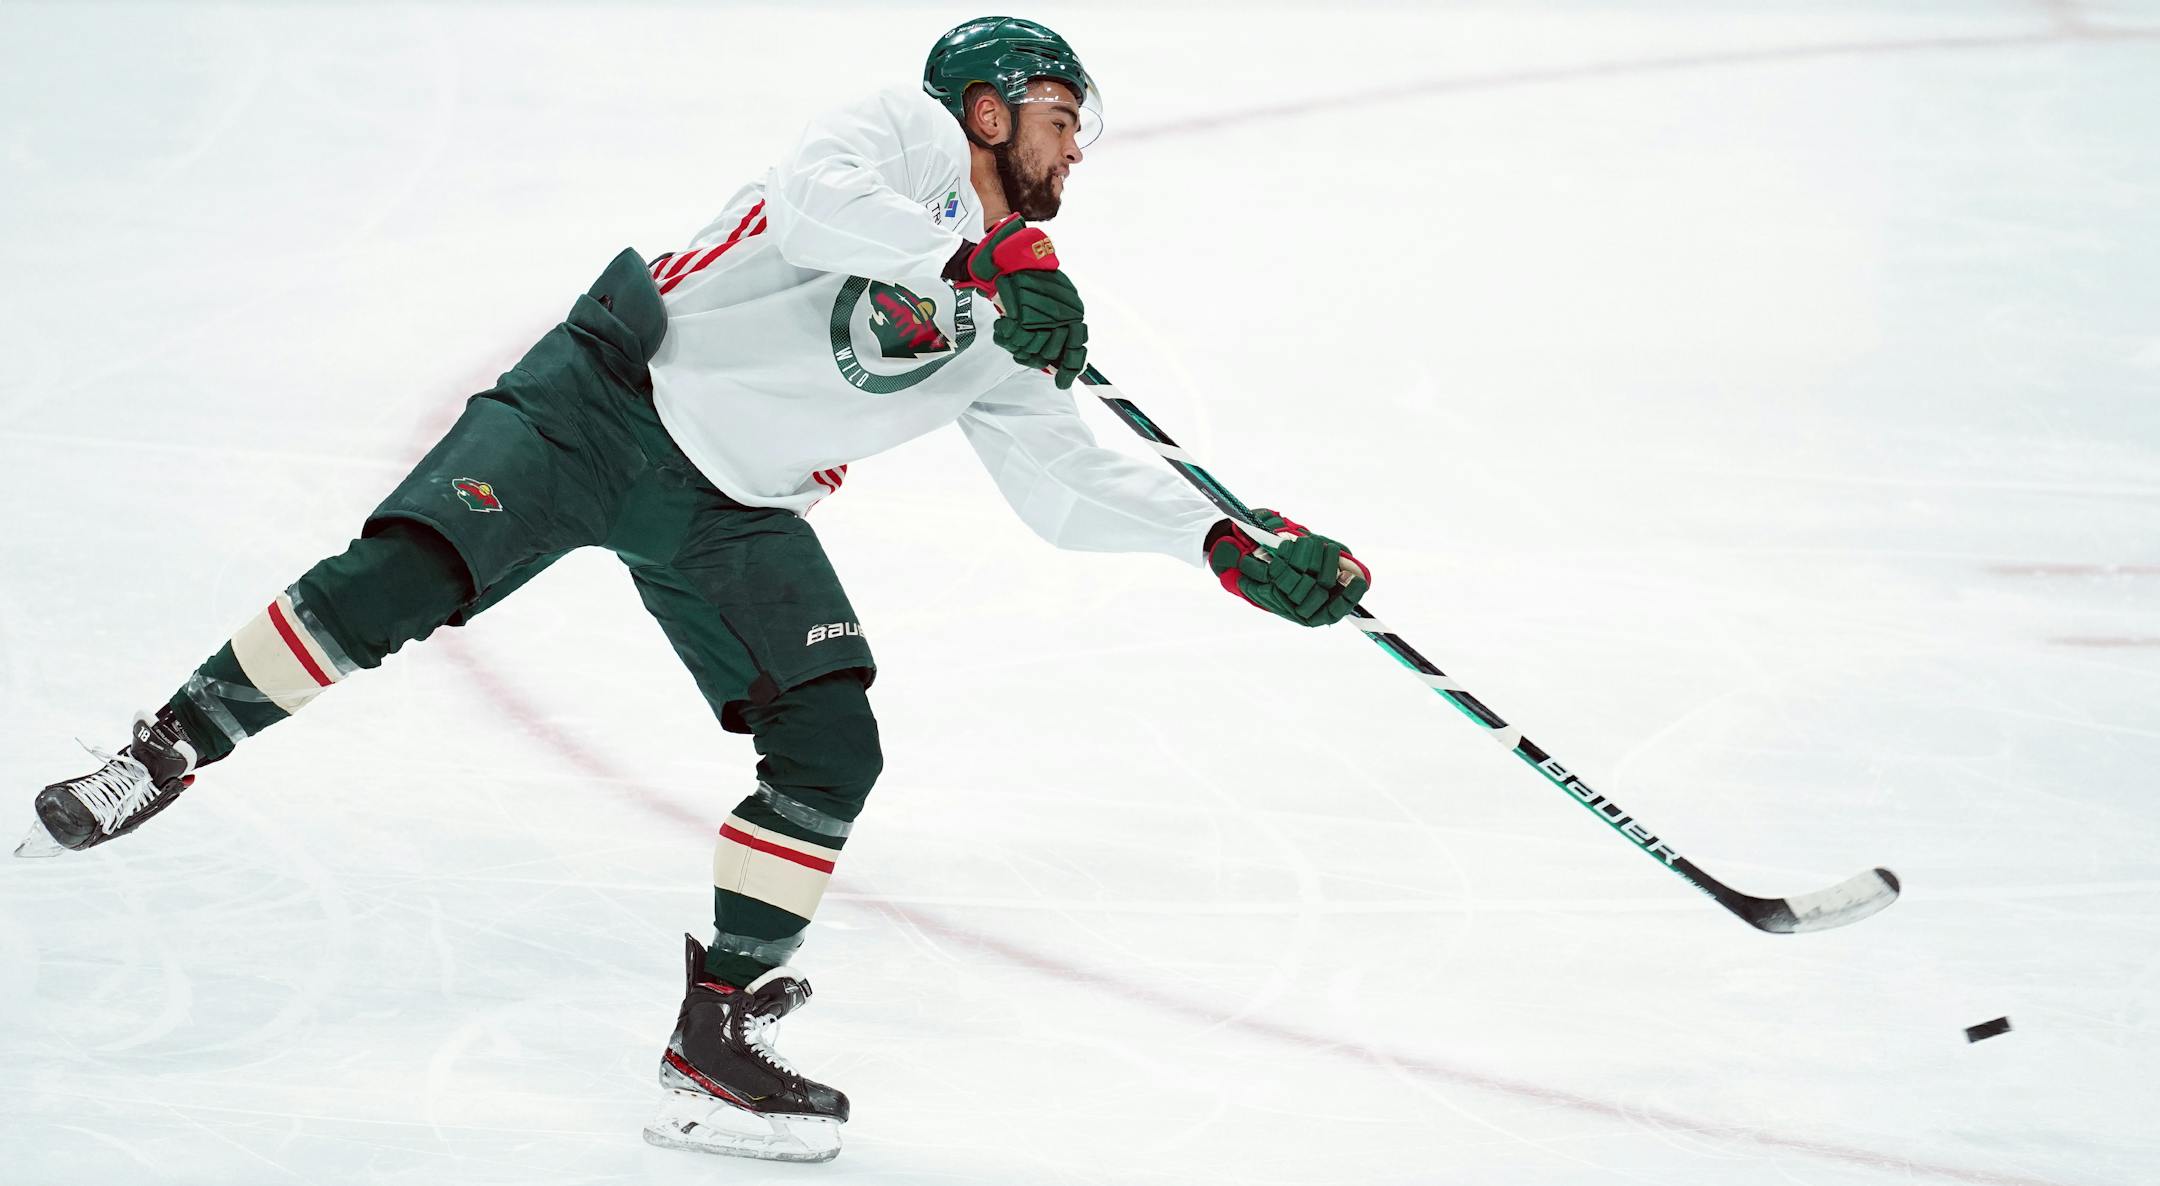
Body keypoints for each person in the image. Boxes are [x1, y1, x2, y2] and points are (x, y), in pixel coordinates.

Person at [18, 15, 1370, 1164]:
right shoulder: (900, 140)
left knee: (833, 738)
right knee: (402, 577)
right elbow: (816, 203)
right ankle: (165, 748)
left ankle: (714, 1035)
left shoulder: (1015, 315)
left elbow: (1067, 480)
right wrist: (978, 256)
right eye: (1061, 116)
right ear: (984, 106)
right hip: (602, 398)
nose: (1079, 147)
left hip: (731, 505)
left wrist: (1233, 544)